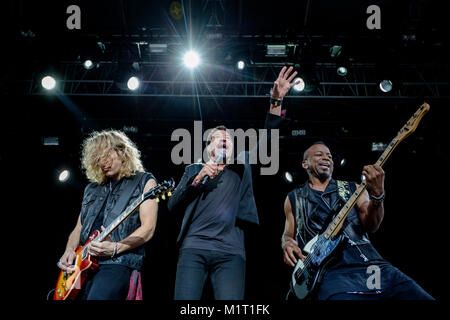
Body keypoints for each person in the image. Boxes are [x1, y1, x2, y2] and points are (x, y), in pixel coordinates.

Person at [168, 66, 299, 300]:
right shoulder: (193, 170)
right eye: (218, 138)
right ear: (208, 147)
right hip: (193, 248)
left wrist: (276, 99)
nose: (225, 139)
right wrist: (196, 180)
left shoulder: (242, 165)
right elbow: (172, 206)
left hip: (230, 252)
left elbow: (268, 137)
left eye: (228, 138)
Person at [282, 142, 434, 300]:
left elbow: (372, 226)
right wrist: (286, 243)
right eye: (319, 155)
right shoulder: (294, 197)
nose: (326, 158)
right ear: (305, 163)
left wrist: (378, 196)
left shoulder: (353, 188)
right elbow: (288, 234)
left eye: (329, 156)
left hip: (371, 264)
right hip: (330, 273)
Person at [57, 130, 158, 300]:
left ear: (122, 152)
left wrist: (116, 247)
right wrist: (69, 250)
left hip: (117, 262)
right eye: (98, 158)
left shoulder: (144, 181)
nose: (103, 162)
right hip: (82, 265)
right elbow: (79, 228)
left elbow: (148, 228)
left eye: (106, 155)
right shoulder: (92, 189)